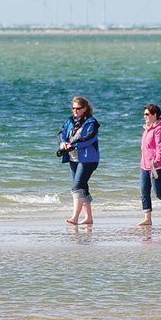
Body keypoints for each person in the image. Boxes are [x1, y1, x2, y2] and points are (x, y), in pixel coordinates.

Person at [58, 96, 100, 225]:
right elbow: (61, 133)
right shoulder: (70, 121)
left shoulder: (92, 123)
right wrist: (63, 143)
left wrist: (73, 145)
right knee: (83, 187)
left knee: (77, 187)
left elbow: (89, 139)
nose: (75, 111)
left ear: (85, 109)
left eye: (78, 108)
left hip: (88, 160)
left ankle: (75, 217)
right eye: (73, 108)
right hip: (73, 158)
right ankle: (89, 218)